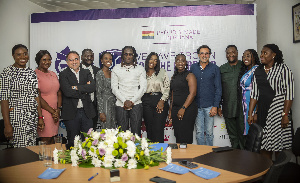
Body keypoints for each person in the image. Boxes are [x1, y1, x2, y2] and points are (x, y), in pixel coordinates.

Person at [248, 44, 294, 160]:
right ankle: (267, 175)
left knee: (278, 146)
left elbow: (289, 94)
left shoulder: (283, 69)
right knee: (263, 145)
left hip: (279, 112)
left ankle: (278, 174)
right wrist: (251, 114)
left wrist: (285, 115)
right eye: (261, 53)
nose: (262, 55)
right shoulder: (258, 71)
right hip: (263, 111)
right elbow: (254, 94)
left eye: (265, 53)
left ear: (273, 55)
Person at [0, 44, 44, 148]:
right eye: (19, 54)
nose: (23, 57)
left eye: (25, 54)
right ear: (13, 56)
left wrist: (40, 117)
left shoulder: (31, 73)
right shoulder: (7, 73)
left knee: (31, 148)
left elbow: (36, 96)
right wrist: (7, 125)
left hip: (31, 117)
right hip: (17, 118)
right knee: (20, 152)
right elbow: (4, 99)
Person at [59, 51, 96, 149]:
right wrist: (84, 89)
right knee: (72, 141)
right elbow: (67, 92)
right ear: (67, 62)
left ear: (79, 60)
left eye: (76, 59)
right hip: (71, 113)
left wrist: (75, 87)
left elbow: (92, 87)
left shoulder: (86, 72)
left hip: (86, 111)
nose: (74, 62)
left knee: (88, 141)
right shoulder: (63, 74)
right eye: (71, 60)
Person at [111, 46, 147, 136]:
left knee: (136, 133)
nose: (128, 56)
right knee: (122, 134)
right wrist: (124, 101)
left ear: (134, 56)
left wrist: (132, 101)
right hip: (120, 104)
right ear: (122, 56)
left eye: (130, 54)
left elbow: (143, 88)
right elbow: (114, 88)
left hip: (136, 104)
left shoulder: (140, 69)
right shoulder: (116, 69)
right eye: (126, 54)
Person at [190, 45, 222, 146]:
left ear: (210, 55)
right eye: (202, 53)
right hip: (196, 106)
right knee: (199, 133)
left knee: (209, 133)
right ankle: (200, 155)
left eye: (206, 53)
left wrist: (215, 106)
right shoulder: (193, 67)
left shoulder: (215, 68)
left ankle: (208, 156)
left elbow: (218, 88)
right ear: (198, 55)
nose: (204, 55)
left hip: (210, 106)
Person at [218, 45, 245, 149]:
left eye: (233, 52)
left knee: (243, 135)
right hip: (228, 107)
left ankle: (245, 159)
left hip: (242, 108)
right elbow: (219, 89)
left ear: (237, 53)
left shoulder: (244, 66)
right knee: (233, 136)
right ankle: (236, 157)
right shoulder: (222, 69)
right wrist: (218, 106)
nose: (230, 55)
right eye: (228, 53)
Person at [168, 54, 197, 143]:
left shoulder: (190, 75)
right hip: (175, 109)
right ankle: (180, 156)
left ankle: (187, 157)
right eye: (178, 60)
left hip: (187, 109)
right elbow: (172, 96)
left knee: (186, 136)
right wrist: (170, 111)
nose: (180, 62)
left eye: (182, 60)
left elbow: (193, 93)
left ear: (186, 63)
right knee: (178, 135)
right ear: (175, 63)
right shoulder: (174, 77)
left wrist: (183, 108)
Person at [35, 50, 62, 144]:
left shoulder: (53, 74)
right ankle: (44, 159)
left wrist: (58, 110)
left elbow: (58, 93)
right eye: (44, 60)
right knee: (45, 140)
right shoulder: (35, 75)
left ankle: (51, 159)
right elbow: (37, 96)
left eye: (49, 59)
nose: (47, 62)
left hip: (55, 112)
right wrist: (52, 111)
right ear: (38, 61)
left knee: (52, 139)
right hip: (44, 112)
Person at [142, 52, 170, 143]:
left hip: (159, 99)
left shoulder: (162, 72)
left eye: (155, 60)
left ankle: (160, 154)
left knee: (158, 129)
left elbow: (167, 88)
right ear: (147, 60)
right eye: (151, 59)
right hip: (146, 100)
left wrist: (162, 100)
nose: (153, 62)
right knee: (149, 129)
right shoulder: (142, 72)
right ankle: (150, 154)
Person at [238, 49, 260, 135]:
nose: (245, 58)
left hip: (253, 105)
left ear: (254, 58)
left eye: (248, 56)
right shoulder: (247, 71)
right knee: (248, 131)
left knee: (254, 132)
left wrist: (256, 112)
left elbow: (260, 93)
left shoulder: (257, 70)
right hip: (245, 105)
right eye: (243, 56)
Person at [95, 52, 116, 129]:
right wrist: (101, 112)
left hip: (113, 104)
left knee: (114, 130)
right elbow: (98, 94)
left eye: (110, 59)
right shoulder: (100, 74)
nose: (108, 61)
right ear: (101, 61)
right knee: (106, 131)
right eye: (106, 58)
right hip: (105, 104)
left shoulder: (112, 73)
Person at [80, 49, 100, 130]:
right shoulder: (76, 69)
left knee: (92, 134)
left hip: (94, 107)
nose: (89, 58)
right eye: (86, 56)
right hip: (80, 106)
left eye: (91, 56)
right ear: (81, 57)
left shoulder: (98, 71)